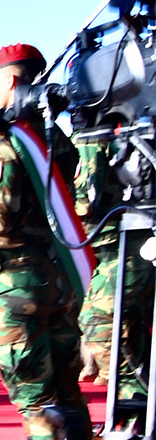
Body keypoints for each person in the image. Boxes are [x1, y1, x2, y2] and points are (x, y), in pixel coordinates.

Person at [0, 43, 86, 440]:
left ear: (10, 82)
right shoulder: (56, 141)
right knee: (67, 391)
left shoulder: (5, 143)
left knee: (35, 398)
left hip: (15, 288)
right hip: (59, 282)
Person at [75, 118, 155, 396]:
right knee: (130, 329)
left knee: (97, 320)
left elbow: (88, 199)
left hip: (127, 245)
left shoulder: (93, 136)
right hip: (121, 245)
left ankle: (135, 397)